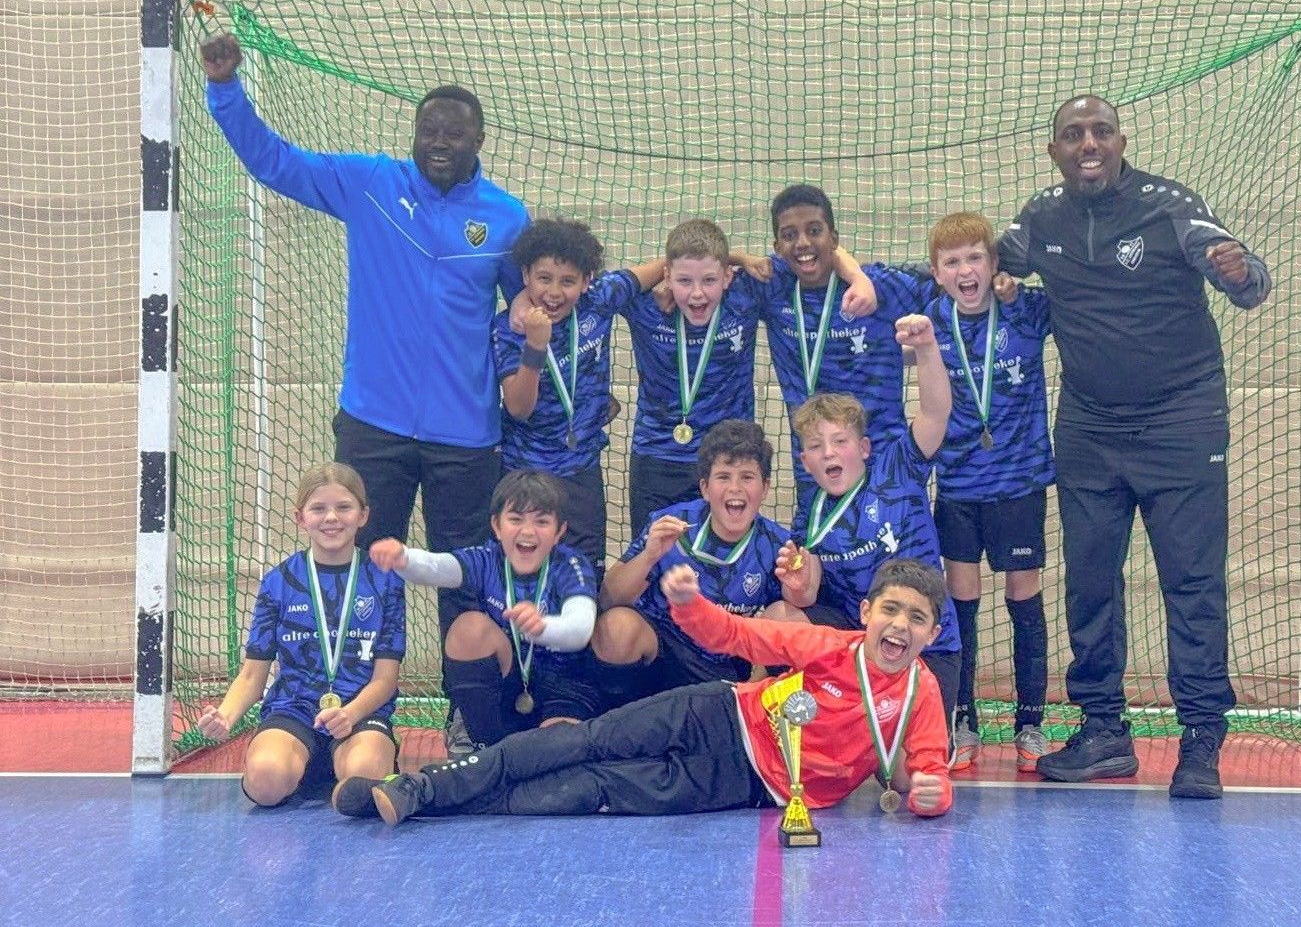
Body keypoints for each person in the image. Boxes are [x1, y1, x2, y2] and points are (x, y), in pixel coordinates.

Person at [997, 95, 1271, 799]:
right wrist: (858, 276)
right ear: (1054, 151)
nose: (1087, 143)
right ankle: (1103, 732)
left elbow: (1245, 280)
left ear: (1121, 142)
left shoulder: (1170, 206)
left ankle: (1201, 737)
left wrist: (1239, 270)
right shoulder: (1040, 219)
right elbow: (968, 261)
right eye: (1072, 134)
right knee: (1089, 582)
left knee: (1192, 582)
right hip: (1089, 429)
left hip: (1181, 422)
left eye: (1100, 132)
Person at [200, 33, 523, 565]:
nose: (439, 143)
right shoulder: (370, 183)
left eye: (455, 134)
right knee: (366, 577)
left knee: (468, 577)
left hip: (466, 434)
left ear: (480, 140)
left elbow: (531, 311)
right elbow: (275, 163)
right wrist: (225, 87)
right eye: (428, 131)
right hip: (374, 424)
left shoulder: (508, 216)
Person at [331, 558, 953, 824]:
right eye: (890, 610)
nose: (899, 626)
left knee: (596, 788)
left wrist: (932, 795)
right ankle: (419, 788)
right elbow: (741, 634)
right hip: (717, 712)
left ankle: (438, 809)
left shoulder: (921, 693)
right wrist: (690, 605)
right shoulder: (828, 645)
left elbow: (930, 773)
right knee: (587, 741)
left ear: (932, 633)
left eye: (917, 618)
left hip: (742, 784)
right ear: (867, 612)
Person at [774, 314, 965, 742]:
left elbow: (936, 413)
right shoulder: (810, 515)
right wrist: (796, 584)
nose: (828, 453)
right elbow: (805, 597)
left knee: (907, 770)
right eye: (816, 446)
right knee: (778, 617)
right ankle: (790, 726)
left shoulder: (897, 469)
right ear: (805, 461)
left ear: (862, 448)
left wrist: (926, 346)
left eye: (839, 441)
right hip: (861, 649)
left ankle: (928, 730)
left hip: (925, 646)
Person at [926, 212, 1055, 773]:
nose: (965, 271)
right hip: (958, 485)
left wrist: (1018, 285)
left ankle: (1031, 723)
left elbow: (1074, 293)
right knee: (962, 604)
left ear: (995, 263)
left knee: (1024, 600)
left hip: (1020, 484)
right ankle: (965, 722)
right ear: (937, 273)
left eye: (975, 258)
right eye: (952, 262)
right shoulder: (931, 319)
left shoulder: (1024, 310)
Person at [196, 463, 405, 807]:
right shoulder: (279, 582)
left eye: (344, 507)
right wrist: (226, 716)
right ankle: (298, 766)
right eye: (318, 508)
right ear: (300, 518)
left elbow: (385, 680)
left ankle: (356, 763)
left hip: (359, 714)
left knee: (364, 779)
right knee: (265, 782)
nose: (331, 517)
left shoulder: (385, 581)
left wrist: (350, 715)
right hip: (293, 710)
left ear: (363, 515)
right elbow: (251, 675)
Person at [590, 419, 820, 706]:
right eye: (723, 477)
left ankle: (750, 705)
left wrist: (798, 589)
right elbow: (608, 598)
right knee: (617, 628)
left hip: (727, 661)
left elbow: (787, 614)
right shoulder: (670, 524)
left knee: (789, 619)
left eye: (747, 477)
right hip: (665, 653)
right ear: (705, 488)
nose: (735, 488)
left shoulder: (778, 545)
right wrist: (649, 556)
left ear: (765, 488)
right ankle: (621, 713)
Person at [366, 470, 600, 749]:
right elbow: (439, 567)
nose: (528, 531)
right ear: (497, 526)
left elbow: (581, 629)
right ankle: (481, 742)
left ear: (559, 531)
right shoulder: (487, 559)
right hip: (507, 684)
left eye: (542, 521)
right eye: (516, 519)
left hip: (562, 686)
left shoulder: (571, 565)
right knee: (468, 627)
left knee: (558, 751)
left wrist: (544, 627)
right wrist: (404, 557)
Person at [739, 184, 937, 494]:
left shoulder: (877, 287)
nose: (803, 243)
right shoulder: (773, 286)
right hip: (816, 468)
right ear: (777, 246)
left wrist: (1000, 282)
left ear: (834, 238)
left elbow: (950, 285)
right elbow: (707, 263)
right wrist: (738, 256)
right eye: (790, 235)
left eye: (814, 231)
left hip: (884, 465)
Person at [493, 219, 666, 571]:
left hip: (581, 472)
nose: (554, 292)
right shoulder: (509, 329)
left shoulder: (600, 299)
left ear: (587, 280)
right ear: (525, 275)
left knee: (586, 578)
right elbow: (518, 407)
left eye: (568, 281)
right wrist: (535, 347)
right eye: (544, 278)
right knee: (527, 579)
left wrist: (736, 259)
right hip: (525, 472)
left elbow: (671, 263)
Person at [621, 219, 763, 539]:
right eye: (684, 280)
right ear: (667, 276)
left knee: (723, 559)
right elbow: (597, 286)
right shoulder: (643, 303)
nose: (697, 294)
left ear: (727, 277)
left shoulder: (745, 295)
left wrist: (738, 258)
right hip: (657, 457)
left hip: (728, 460)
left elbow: (810, 262)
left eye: (709, 280)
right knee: (654, 557)